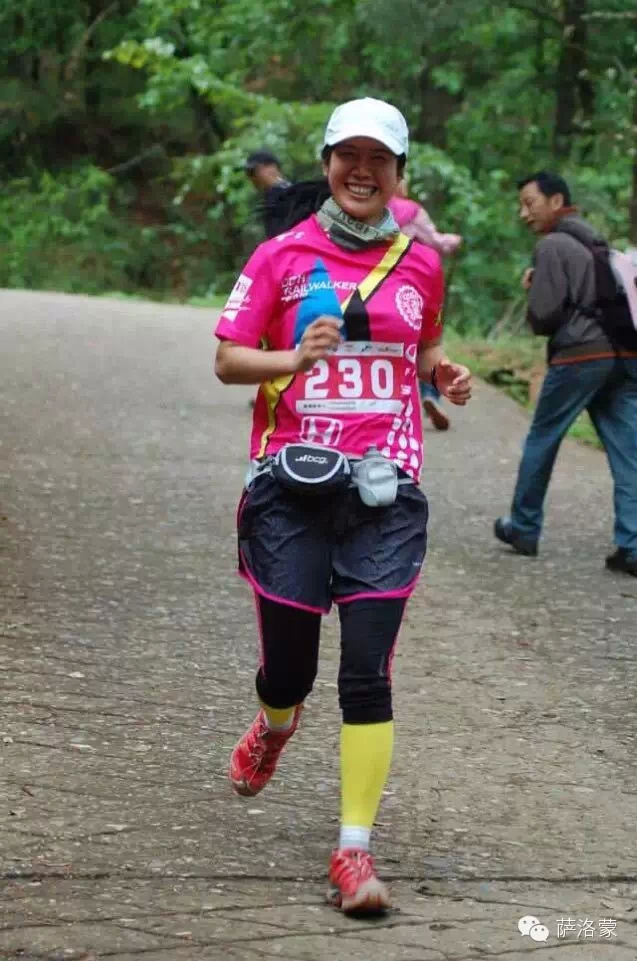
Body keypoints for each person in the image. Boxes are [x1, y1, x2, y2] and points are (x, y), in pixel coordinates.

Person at [214, 97, 472, 914]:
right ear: (325, 162)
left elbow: (423, 344)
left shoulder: (422, 262)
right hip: (290, 486)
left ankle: (353, 852)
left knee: (367, 672)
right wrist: (295, 353)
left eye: (379, 159)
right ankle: (275, 723)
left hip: (384, 489)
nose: (362, 171)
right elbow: (227, 360)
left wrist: (442, 373)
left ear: (401, 172)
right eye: (346, 155)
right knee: (289, 669)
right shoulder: (281, 256)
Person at [494, 171, 637, 575]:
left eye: (529, 202)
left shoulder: (553, 244)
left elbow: (544, 316)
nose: (524, 213)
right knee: (628, 451)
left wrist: (533, 287)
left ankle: (523, 526)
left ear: (556, 202)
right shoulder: (596, 241)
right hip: (623, 355)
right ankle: (633, 543)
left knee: (543, 436)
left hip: (580, 356)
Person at [389, 178, 462, 431]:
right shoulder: (412, 211)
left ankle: (390, 400)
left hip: (380, 287)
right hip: (413, 284)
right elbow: (435, 242)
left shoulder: (371, 211)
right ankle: (430, 395)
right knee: (425, 343)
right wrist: (453, 240)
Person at [243, 149, 292, 238]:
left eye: (255, 171)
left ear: (272, 168)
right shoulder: (272, 196)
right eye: (249, 174)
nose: (253, 178)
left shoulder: (288, 195)